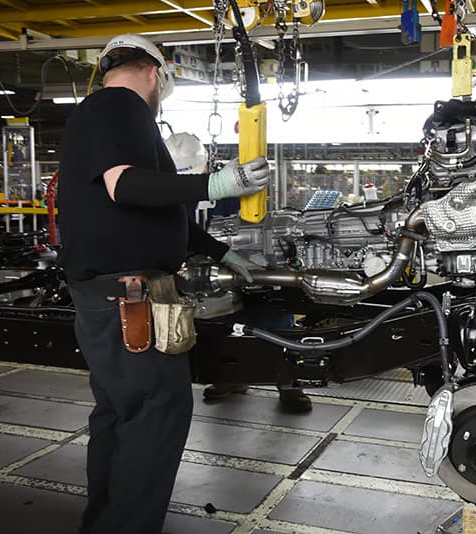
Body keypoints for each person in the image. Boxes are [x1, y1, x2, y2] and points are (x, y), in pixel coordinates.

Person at [57, 33, 268, 534]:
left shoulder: (99, 115)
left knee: (121, 414)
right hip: (129, 297)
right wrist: (219, 184)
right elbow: (125, 186)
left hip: (109, 295)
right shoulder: (119, 107)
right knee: (157, 413)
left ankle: (105, 523)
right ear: (155, 75)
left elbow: (157, 208)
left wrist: (223, 251)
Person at [164, 132, 312, 413]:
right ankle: (232, 377)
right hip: (205, 272)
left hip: (248, 263)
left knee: (274, 322)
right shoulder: (169, 191)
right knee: (219, 331)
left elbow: (256, 223)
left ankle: (290, 385)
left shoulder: (232, 181)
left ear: (208, 166)